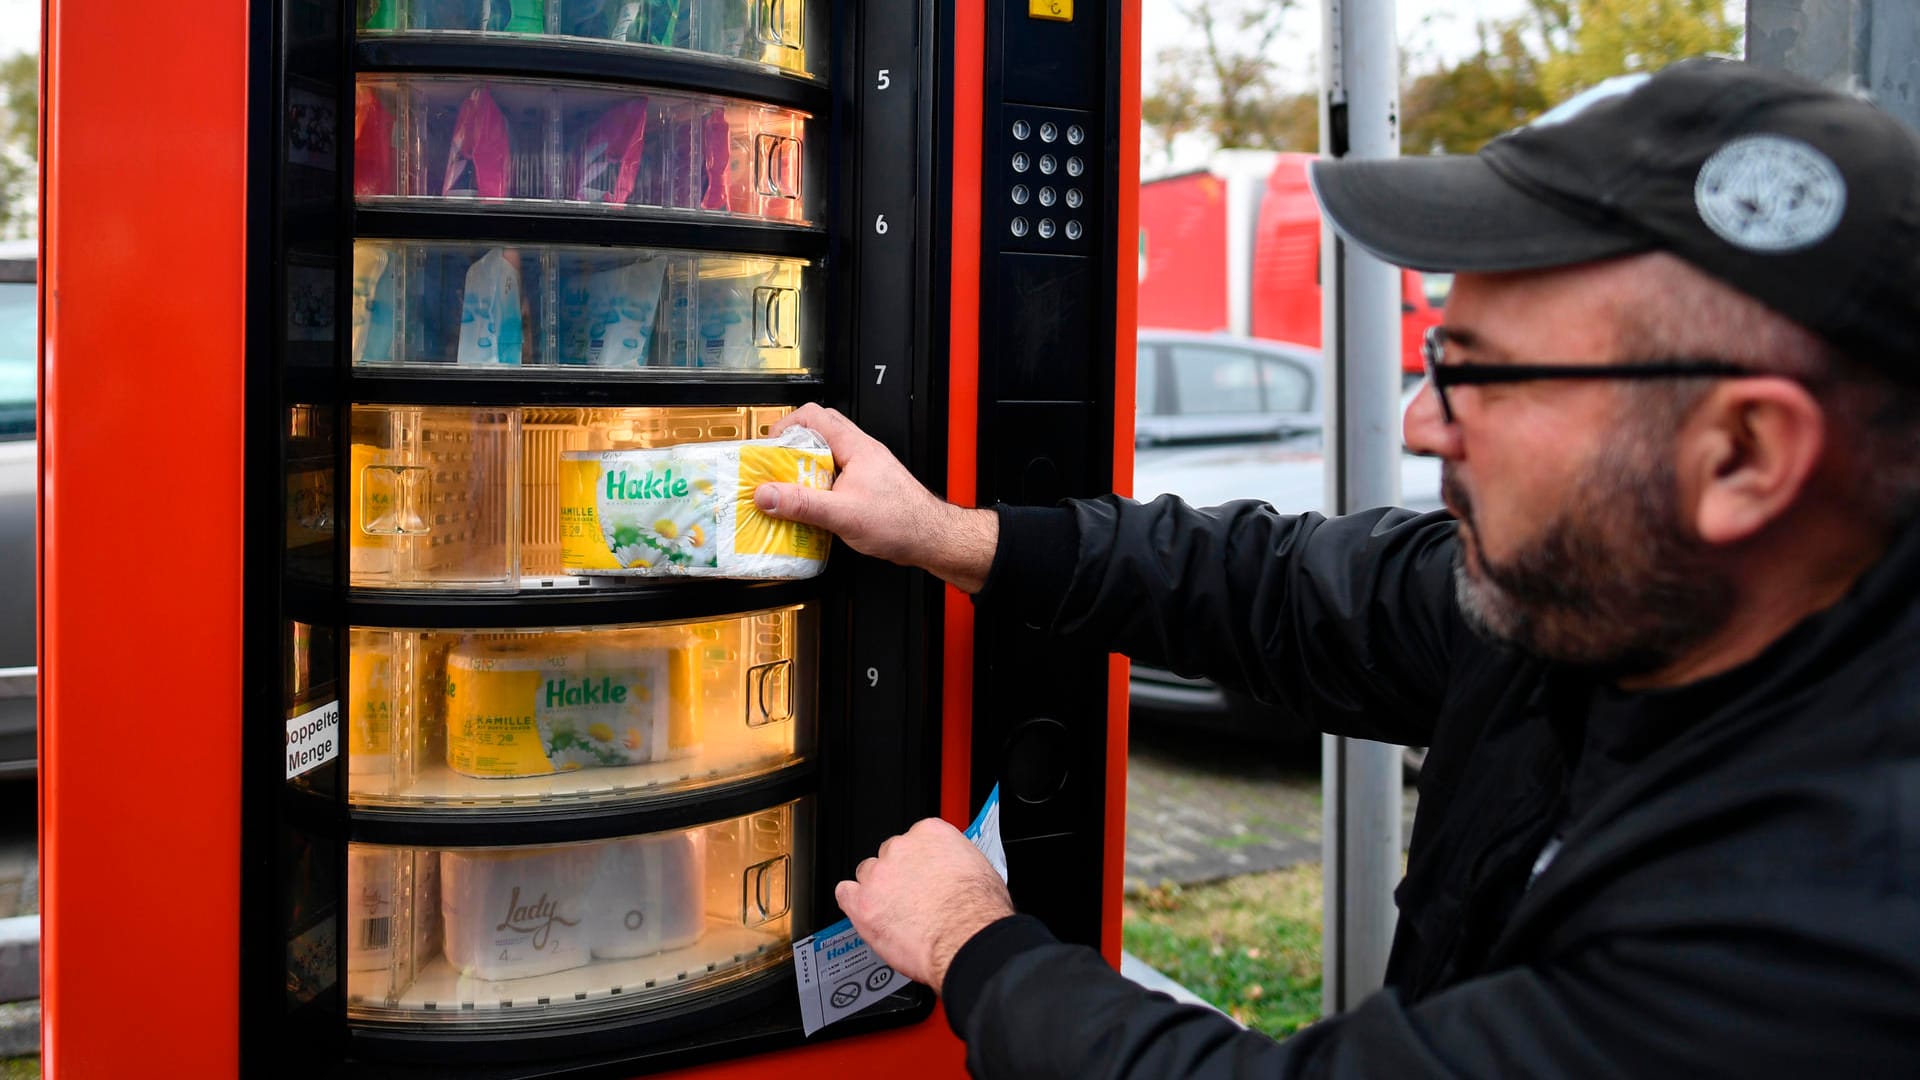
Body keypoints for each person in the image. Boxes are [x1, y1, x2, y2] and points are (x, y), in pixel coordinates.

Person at [754, 58, 1920, 1077]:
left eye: (1477, 373)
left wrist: (974, 945)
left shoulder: (1828, 926)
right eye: (1429, 355)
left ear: (1744, 455)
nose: (1421, 423)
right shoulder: (1604, 605)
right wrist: (944, 532)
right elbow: (1266, 585)